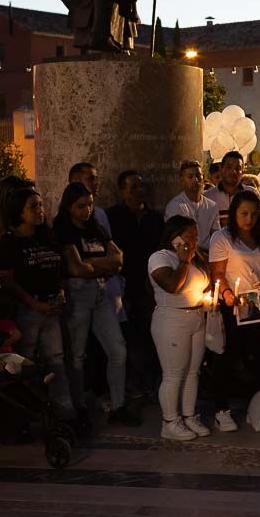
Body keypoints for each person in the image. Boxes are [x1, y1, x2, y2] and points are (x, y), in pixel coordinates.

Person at [54, 181, 130, 430]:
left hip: (100, 293)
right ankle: (78, 408)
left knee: (118, 351)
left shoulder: (96, 228)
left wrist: (91, 265)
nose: (86, 211)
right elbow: (74, 268)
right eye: (80, 206)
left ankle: (118, 406)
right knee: (76, 354)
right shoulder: (64, 230)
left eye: (89, 205)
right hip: (78, 296)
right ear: (69, 207)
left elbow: (118, 260)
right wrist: (102, 264)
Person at [0, 188, 75, 419]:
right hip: (28, 308)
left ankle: (65, 413)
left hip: (52, 306)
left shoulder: (47, 237)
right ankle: (25, 413)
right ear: (19, 211)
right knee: (25, 359)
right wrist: (32, 303)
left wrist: (60, 292)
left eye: (41, 205)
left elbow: (59, 268)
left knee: (56, 359)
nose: (39, 211)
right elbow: (7, 279)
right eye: (33, 206)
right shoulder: (9, 242)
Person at [209, 190, 260, 431]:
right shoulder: (223, 238)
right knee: (229, 355)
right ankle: (221, 408)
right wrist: (227, 294)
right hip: (235, 306)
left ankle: (259, 403)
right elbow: (217, 273)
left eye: (253, 214)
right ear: (234, 213)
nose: (249, 219)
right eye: (243, 213)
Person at [149, 215, 212, 441]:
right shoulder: (160, 258)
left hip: (196, 317)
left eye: (196, 236)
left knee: (193, 372)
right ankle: (170, 421)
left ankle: (188, 415)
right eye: (189, 236)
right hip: (172, 321)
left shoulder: (196, 257)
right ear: (174, 236)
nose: (194, 241)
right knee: (174, 374)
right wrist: (184, 260)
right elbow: (172, 286)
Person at [105, 170, 165, 399]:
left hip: (150, 286)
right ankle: (132, 385)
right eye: (133, 188)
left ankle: (150, 382)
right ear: (122, 191)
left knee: (150, 335)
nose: (139, 192)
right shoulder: (113, 217)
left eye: (141, 186)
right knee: (129, 338)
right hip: (124, 286)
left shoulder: (154, 218)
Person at [165, 160, 221, 252]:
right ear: (182, 180)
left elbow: (216, 235)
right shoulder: (175, 206)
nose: (195, 179)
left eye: (198, 176)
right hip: (184, 255)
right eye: (190, 176)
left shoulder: (212, 206)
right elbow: (174, 239)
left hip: (208, 255)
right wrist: (190, 254)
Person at [205, 151, 246, 227]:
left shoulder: (250, 193)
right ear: (221, 169)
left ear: (242, 172)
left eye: (237, 168)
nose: (233, 171)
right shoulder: (208, 197)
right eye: (229, 167)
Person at [69, 162, 111, 233]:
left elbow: (108, 242)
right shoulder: (63, 214)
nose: (97, 183)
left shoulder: (100, 214)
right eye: (91, 179)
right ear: (75, 182)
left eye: (96, 179)